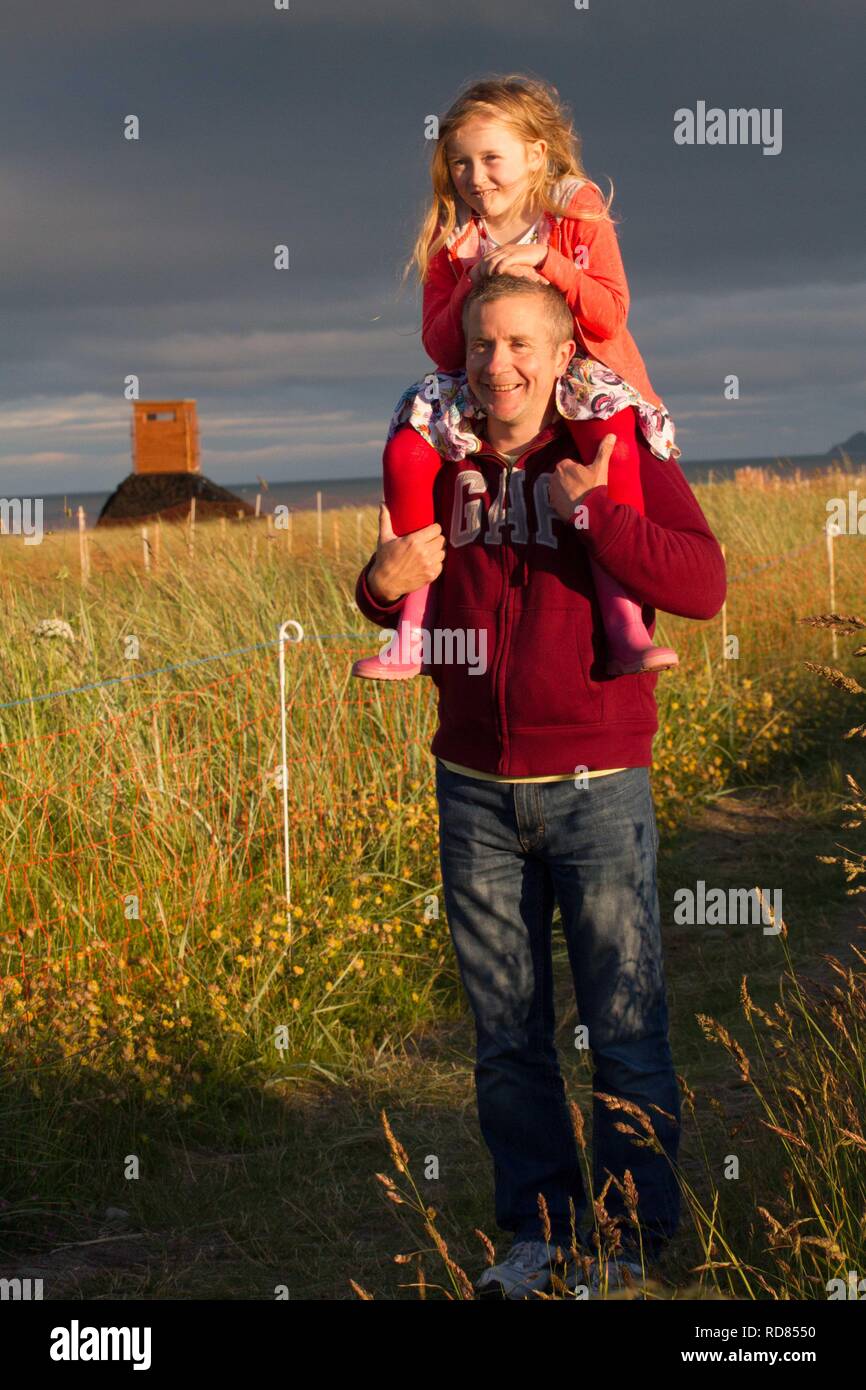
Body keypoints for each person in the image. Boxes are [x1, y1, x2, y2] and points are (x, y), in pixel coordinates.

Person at [354, 273, 727, 1299]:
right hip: (472, 783)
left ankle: (633, 1244)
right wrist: (377, 583)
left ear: (562, 355)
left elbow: (699, 583)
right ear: (460, 359)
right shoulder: (441, 454)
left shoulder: (608, 445)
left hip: (595, 778)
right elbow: (394, 578)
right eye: (480, 347)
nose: (498, 365)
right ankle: (536, 1235)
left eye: (521, 344)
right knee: (506, 1034)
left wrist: (598, 514)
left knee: (623, 1023)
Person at [352, 72, 680, 684]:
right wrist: (473, 284)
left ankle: (625, 620)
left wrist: (547, 263)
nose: (475, 177)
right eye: (459, 163)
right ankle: (411, 631)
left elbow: (610, 314)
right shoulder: (455, 243)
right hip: (485, 377)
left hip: (578, 370)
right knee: (405, 450)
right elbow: (442, 345)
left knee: (613, 441)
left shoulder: (573, 209)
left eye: (490, 158)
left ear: (536, 154)